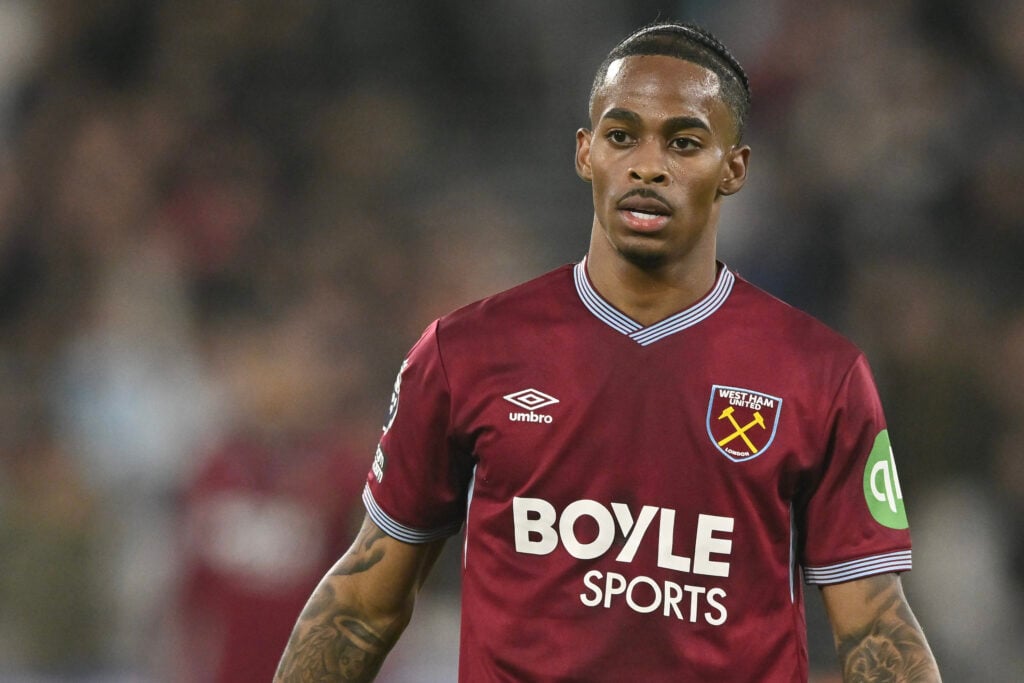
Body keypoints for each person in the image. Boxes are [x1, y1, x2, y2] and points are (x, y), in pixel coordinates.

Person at [275, 22, 942, 682]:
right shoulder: (465, 353)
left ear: (733, 168)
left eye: (684, 142)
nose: (647, 165)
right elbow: (362, 607)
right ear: (585, 152)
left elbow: (874, 628)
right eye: (622, 136)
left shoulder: (819, 376)